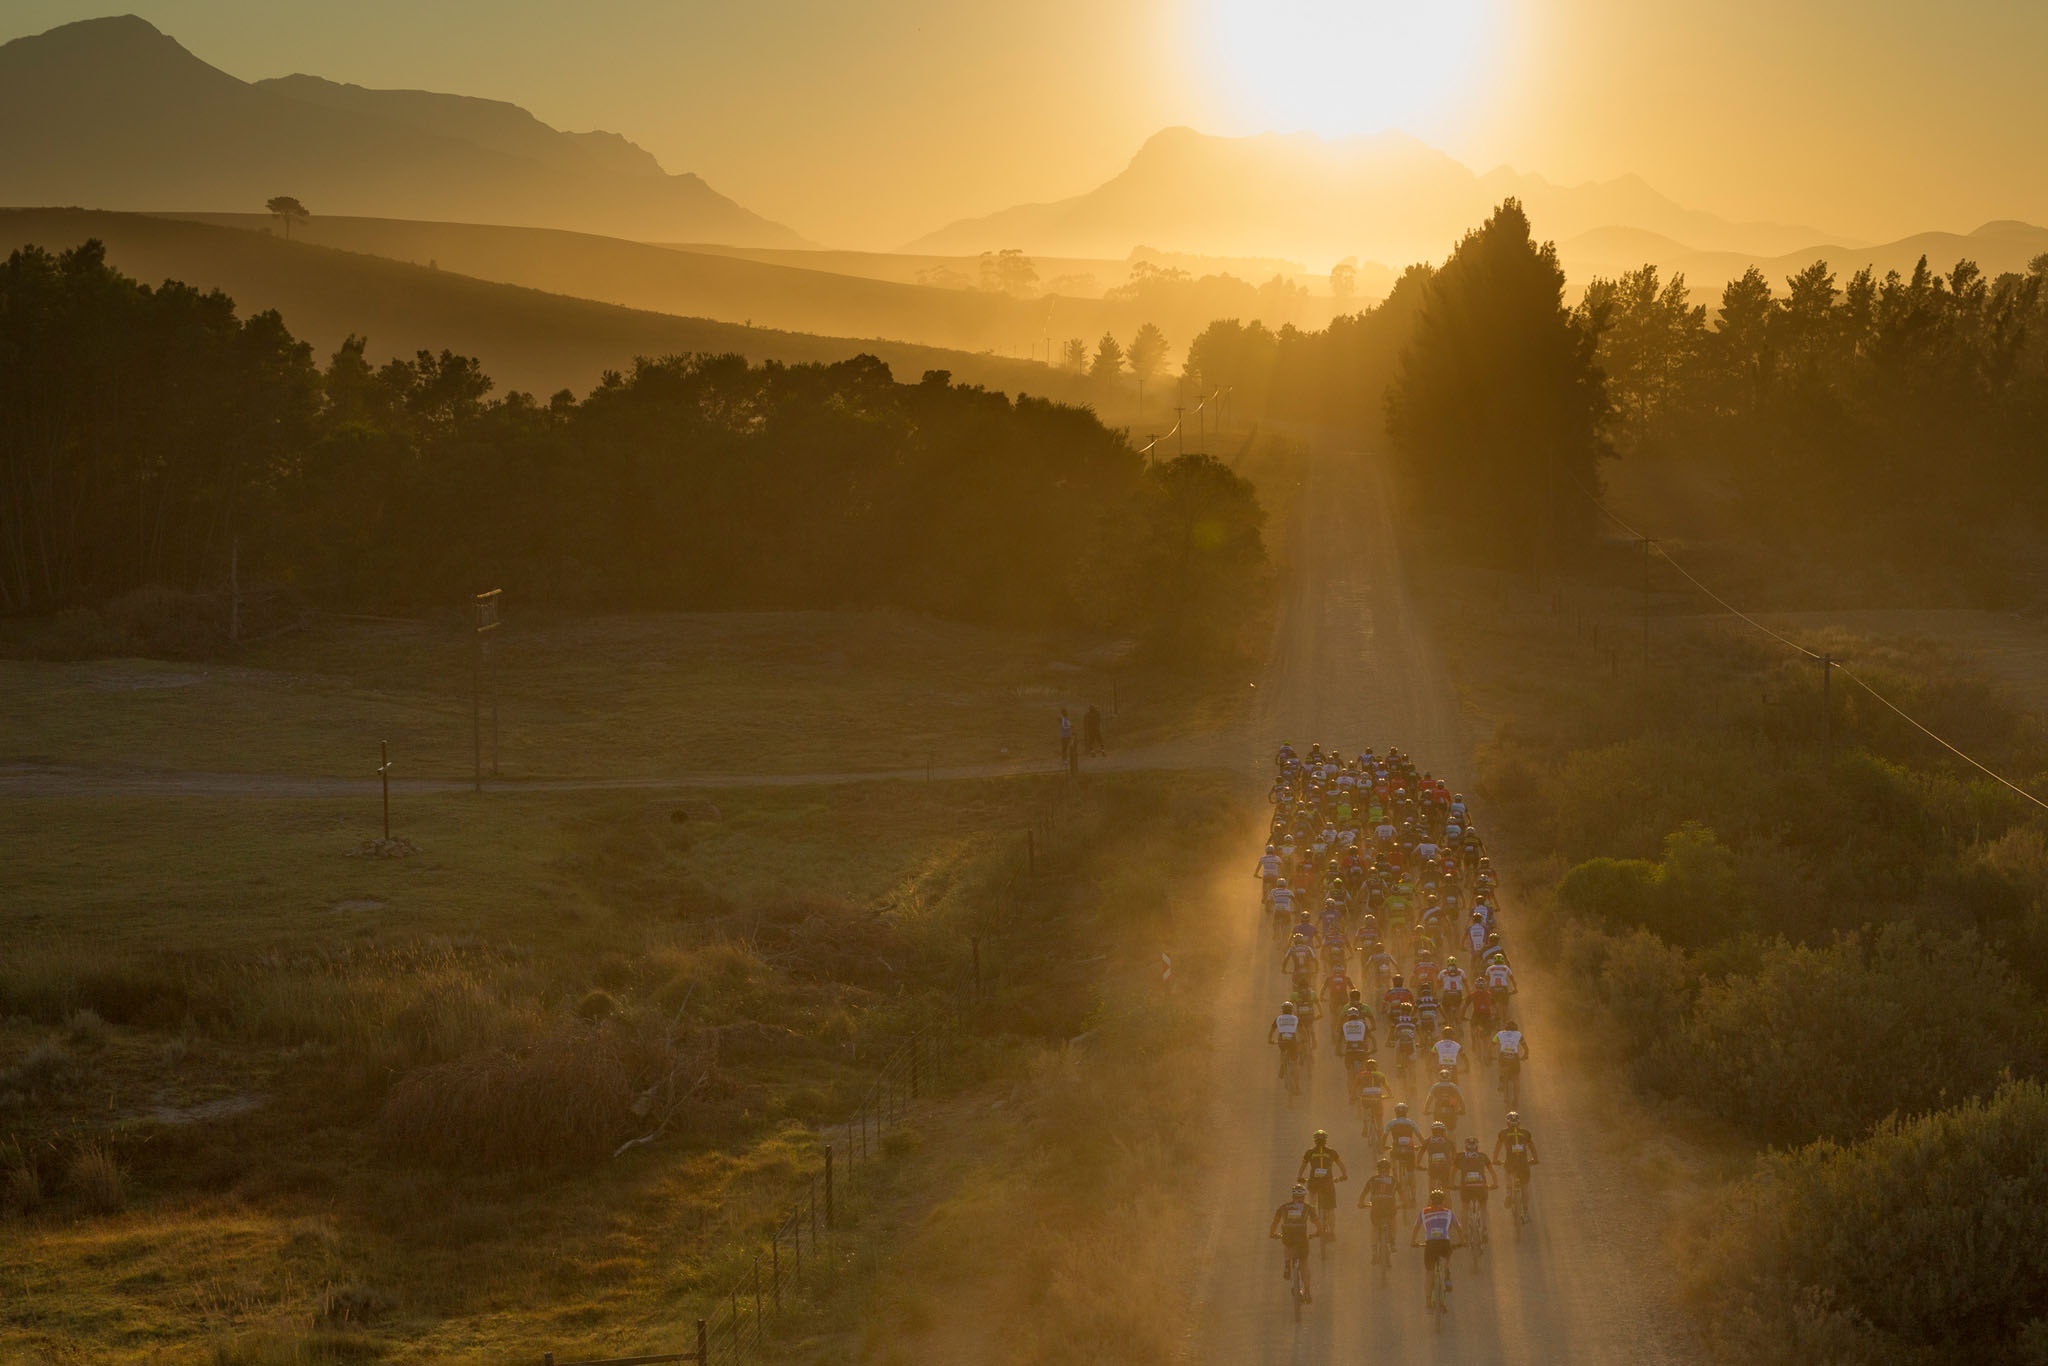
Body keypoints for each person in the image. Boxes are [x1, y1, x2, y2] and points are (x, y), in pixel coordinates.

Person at [1268, 1182, 1322, 1302]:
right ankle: (1307, 1292)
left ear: (1292, 1196)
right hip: (1302, 1237)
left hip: (1288, 1236)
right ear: (1304, 1196)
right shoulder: (1309, 1208)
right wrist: (1318, 1233)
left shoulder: (1283, 1207)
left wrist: (1272, 1234)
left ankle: (1287, 1265)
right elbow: (1318, 1224)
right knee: (1304, 1264)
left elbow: (1274, 1223)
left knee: (1286, 1241)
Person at [1411, 1189, 1464, 1299]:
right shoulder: (1449, 1212)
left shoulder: (1424, 1212)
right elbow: (1458, 1227)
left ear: (1430, 1201)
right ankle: (1447, 1275)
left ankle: (1428, 1300)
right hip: (1444, 1242)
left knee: (1428, 1272)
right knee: (1448, 1254)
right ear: (1443, 1201)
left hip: (1430, 1244)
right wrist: (1462, 1241)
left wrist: (1413, 1241)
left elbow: (1416, 1228)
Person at [1298, 1130, 1349, 1238]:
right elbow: (1341, 1165)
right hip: (1327, 1182)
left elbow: (1303, 1166)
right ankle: (1332, 1232)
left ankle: (1314, 1217)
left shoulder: (1310, 1152)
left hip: (1314, 1182)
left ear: (1315, 1140)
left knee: (1311, 1201)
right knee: (1330, 1209)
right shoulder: (1332, 1151)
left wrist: (1300, 1177)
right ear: (1326, 1140)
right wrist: (1344, 1175)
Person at [1494, 1110, 1540, 1219]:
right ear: (1519, 1123)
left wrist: (1495, 1160)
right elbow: (1532, 1148)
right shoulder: (1526, 1133)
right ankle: (1525, 1213)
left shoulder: (1503, 1133)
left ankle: (1509, 1192)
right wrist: (1535, 1159)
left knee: (1506, 1171)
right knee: (1525, 1188)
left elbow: (1497, 1148)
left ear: (1507, 1123)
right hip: (1524, 1164)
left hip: (1510, 1163)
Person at [1357, 1156, 1401, 1264]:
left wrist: (1361, 1203)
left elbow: (1363, 1193)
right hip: (1390, 1207)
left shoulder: (1372, 1180)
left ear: (1378, 1169)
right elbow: (1403, 1195)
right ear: (1389, 1169)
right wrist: (1403, 1204)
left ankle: (1373, 1251)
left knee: (1374, 1227)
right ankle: (1393, 1242)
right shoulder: (1393, 1180)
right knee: (1393, 1220)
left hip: (1376, 1208)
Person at [1454, 1137, 1497, 1243]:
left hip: (1465, 1188)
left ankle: (1464, 1232)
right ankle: (1485, 1230)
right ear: (1477, 1147)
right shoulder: (1483, 1156)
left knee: (1464, 1207)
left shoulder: (1460, 1156)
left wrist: (1451, 1184)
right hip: (1481, 1187)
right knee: (1483, 1206)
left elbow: (1452, 1172)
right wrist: (1495, 1183)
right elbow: (1492, 1171)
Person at [1269, 1000, 1302, 1079]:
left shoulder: (1278, 1018)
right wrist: (1303, 1040)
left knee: (1282, 1051)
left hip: (1282, 1039)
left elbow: (1272, 1030)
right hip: (1292, 1040)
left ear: (1283, 1010)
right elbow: (1302, 1030)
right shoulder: (1295, 1018)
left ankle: (1282, 1065)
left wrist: (1269, 1039)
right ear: (1291, 1010)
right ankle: (1297, 1087)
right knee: (1295, 1061)